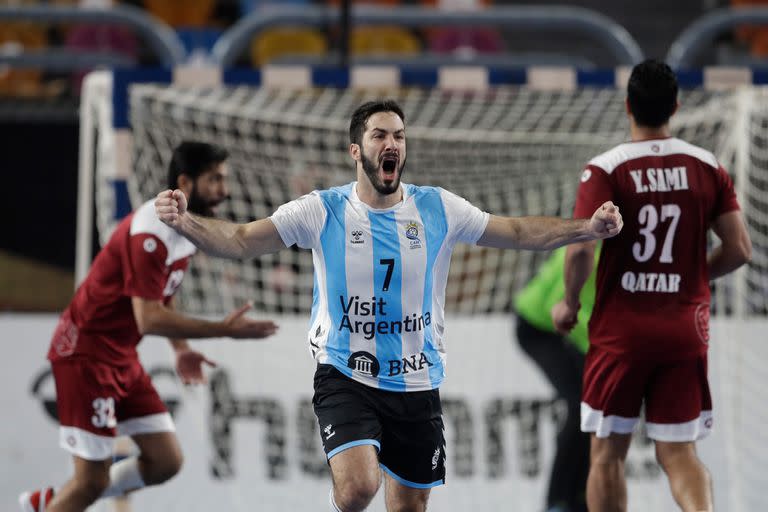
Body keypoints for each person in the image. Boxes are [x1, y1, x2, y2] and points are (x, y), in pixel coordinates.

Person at [154, 99, 623, 512]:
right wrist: (188, 223)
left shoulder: (439, 208)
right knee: (359, 488)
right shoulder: (321, 211)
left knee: (409, 506)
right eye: (379, 135)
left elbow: (518, 233)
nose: (392, 142)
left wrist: (586, 228)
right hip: (346, 371)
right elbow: (238, 240)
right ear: (356, 151)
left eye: (399, 135)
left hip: (417, 380)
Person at [19, 141, 278, 512]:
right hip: (84, 356)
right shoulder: (151, 235)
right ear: (185, 182)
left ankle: (57, 502)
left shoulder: (187, 229)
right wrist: (223, 329)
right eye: (215, 179)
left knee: (165, 461)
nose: (225, 190)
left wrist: (183, 350)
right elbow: (149, 317)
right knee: (91, 480)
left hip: (120, 357)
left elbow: (163, 295)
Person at [551, 59, 752, 512]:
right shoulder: (708, 166)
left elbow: (581, 249)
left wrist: (568, 305)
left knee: (606, 456)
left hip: (621, 332)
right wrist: (694, 276)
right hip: (684, 330)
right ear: (676, 107)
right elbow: (740, 249)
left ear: (628, 107)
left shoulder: (605, 169)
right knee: (679, 453)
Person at [514, 245, 600, 512]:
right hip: (538, 328)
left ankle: (581, 498)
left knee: (594, 410)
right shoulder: (593, 249)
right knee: (581, 406)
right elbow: (559, 310)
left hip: (567, 332)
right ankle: (558, 501)